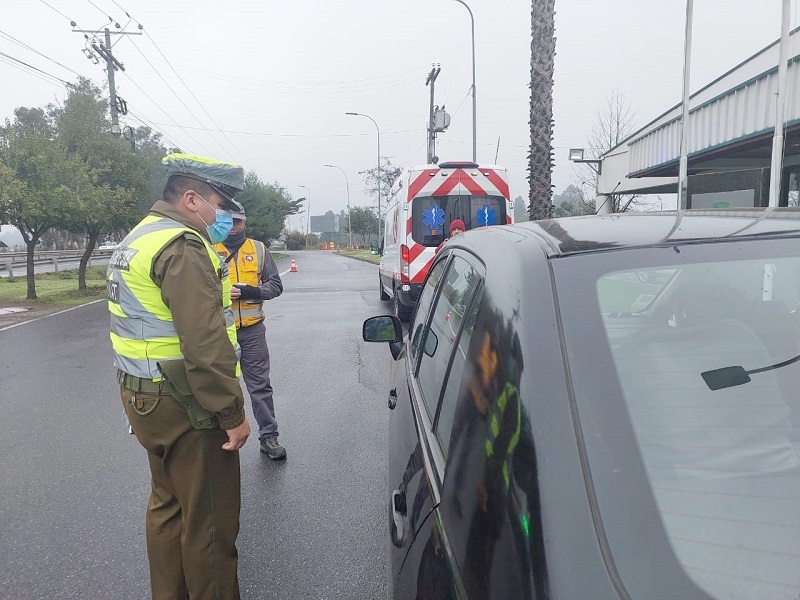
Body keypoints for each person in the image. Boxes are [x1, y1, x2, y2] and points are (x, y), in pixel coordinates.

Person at [108, 153, 250, 599]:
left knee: (167, 510)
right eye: (220, 203)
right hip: (188, 404)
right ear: (192, 199)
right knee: (209, 525)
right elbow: (205, 345)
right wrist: (232, 414)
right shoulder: (183, 246)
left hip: (144, 395)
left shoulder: (139, 237)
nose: (225, 214)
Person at [214, 207, 287, 460]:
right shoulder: (207, 248)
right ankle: (219, 439)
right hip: (219, 333)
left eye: (238, 221)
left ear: (245, 221)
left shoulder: (258, 249)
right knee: (219, 386)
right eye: (228, 221)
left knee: (260, 386)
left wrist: (250, 292)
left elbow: (276, 285)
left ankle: (269, 437)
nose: (233, 226)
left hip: (252, 331)